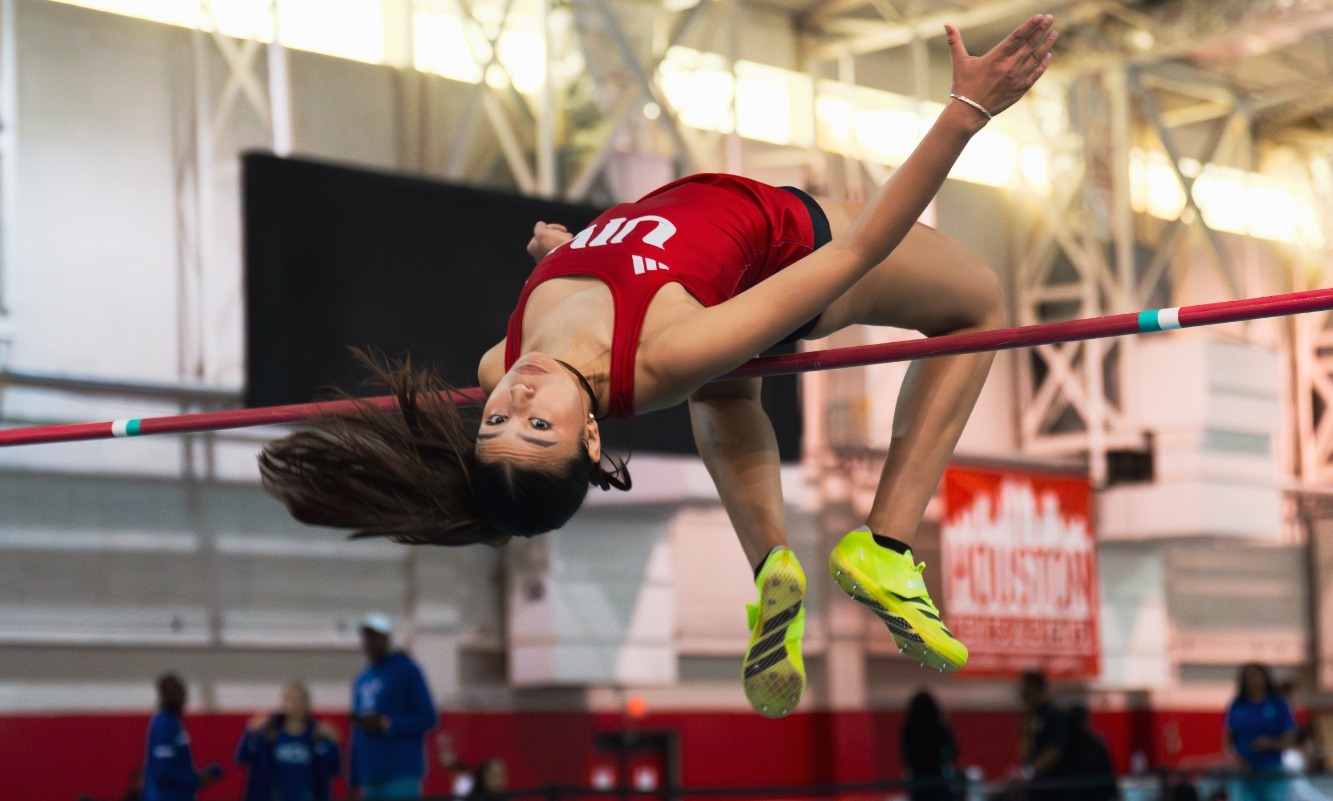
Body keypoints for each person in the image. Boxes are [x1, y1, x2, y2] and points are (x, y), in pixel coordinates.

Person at [260, 15, 1058, 719]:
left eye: (499, 420)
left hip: (708, 294)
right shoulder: (660, 352)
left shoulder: (503, 352)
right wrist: (968, 111)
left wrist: (563, 252)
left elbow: (621, 273)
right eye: (540, 427)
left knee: (724, 388)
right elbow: (857, 250)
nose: (517, 395)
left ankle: (772, 564)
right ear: (593, 439)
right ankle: (883, 546)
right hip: (792, 243)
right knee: (978, 307)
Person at [348, 614, 438, 800]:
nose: (370, 642)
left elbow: (428, 717)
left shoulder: (407, 670)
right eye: (366, 637)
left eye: (375, 636)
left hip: (400, 772)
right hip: (369, 775)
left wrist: (387, 724)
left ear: (386, 639)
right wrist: (353, 778)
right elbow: (356, 733)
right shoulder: (361, 679)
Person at [234, 681, 342, 801]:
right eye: (290, 699)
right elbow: (241, 758)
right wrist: (250, 734)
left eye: (299, 699)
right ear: (283, 702)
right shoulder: (269, 734)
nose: (295, 704)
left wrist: (333, 743)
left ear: (307, 703)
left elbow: (335, 768)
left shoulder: (318, 736)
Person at [142, 673, 223, 801]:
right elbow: (164, 772)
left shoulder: (175, 724)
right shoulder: (164, 725)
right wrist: (198, 779)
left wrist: (200, 777)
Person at [1225, 663, 1297, 801]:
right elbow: (1228, 738)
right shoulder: (1237, 705)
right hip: (1244, 773)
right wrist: (1235, 758)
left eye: (1257, 675)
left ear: (1266, 678)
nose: (1253, 680)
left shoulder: (1278, 704)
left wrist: (1269, 744)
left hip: (1271, 772)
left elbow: (1288, 739)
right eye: (1249, 676)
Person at [1019, 671, 1068, 801]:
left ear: (1039, 690)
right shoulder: (1030, 716)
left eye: (1030, 692)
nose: (1026, 697)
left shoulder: (1054, 715)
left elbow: (1055, 750)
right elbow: (1025, 749)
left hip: (1053, 787)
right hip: (1034, 788)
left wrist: (1029, 772)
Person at [902, 690, 957, 801]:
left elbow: (905, 755)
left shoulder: (909, 730)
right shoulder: (938, 728)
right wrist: (943, 762)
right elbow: (953, 749)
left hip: (921, 780)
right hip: (936, 778)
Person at [1063, 704, 1118, 801]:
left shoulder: (1063, 746)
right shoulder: (1096, 744)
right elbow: (1108, 773)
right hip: (1096, 795)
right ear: (1085, 720)